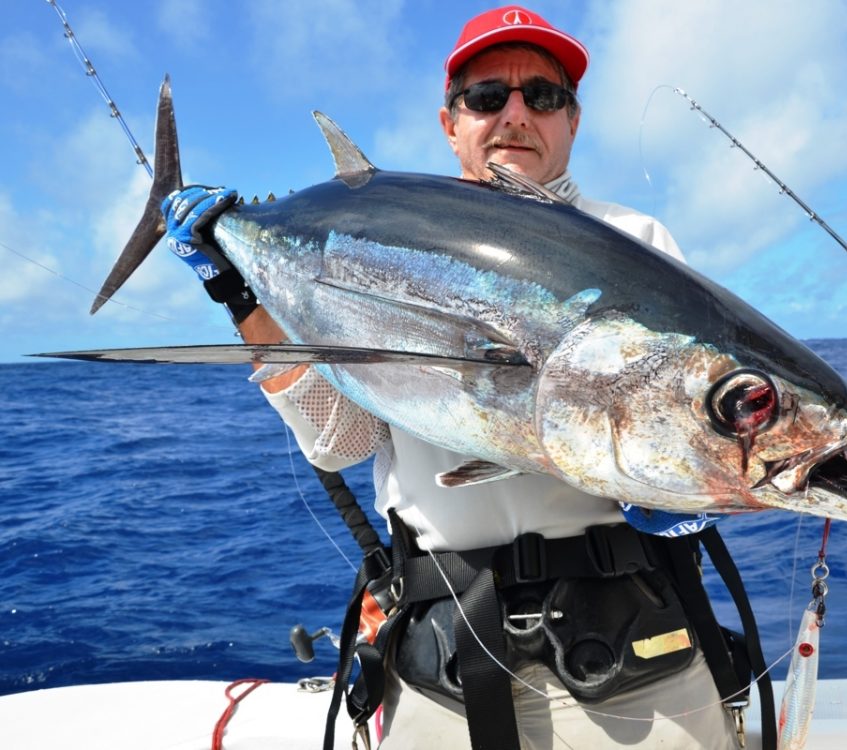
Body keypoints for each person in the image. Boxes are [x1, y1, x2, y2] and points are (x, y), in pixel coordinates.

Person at [163, 7, 765, 749]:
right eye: (487, 97)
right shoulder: (364, 239)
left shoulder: (638, 243)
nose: (515, 114)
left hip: (637, 661)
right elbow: (341, 438)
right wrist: (239, 294)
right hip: (444, 660)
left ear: (572, 121)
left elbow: (710, 423)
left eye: (542, 96)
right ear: (451, 123)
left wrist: (695, 493)